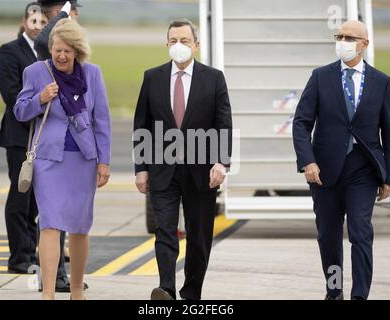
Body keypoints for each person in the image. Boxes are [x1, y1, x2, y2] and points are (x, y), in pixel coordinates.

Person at [292, 20, 390, 300]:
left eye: (350, 37)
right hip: (324, 172)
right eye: (339, 36)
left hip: (363, 172)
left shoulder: (381, 82)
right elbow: (301, 123)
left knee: (361, 232)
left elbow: (389, 131)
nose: (343, 41)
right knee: (328, 237)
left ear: (364, 43)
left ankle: (359, 295)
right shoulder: (320, 77)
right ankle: (334, 290)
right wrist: (308, 161)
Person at [133, 19, 232, 300]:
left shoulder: (213, 78)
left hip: (201, 171)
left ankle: (191, 294)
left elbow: (223, 123)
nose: (179, 46)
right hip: (162, 169)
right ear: (167, 45)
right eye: (173, 41)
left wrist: (220, 162)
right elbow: (142, 125)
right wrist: (141, 168)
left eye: (184, 41)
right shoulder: (152, 77)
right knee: (165, 230)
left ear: (196, 45)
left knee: (199, 237)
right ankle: (166, 288)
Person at [14, 18, 111, 300]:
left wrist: (104, 162)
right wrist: (40, 99)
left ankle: (77, 290)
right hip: (48, 161)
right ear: (51, 49)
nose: (61, 55)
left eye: (68, 50)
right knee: (50, 223)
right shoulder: (36, 72)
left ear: (78, 51)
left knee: (80, 227)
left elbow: (101, 121)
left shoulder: (92, 75)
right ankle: (47, 293)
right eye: (57, 49)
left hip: (83, 160)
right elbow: (19, 111)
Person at [0, 2, 48, 274]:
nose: (38, 26)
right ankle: (19, 257)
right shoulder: (9, 51)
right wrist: (41, 103)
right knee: (20, 197)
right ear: (24, 22)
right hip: (20, 136)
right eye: (34, 21)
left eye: (42, 21)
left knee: (38, 200)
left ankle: (35, 251)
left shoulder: (48, 51)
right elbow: (11, 94)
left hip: (44, 136)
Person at [35, 0, 83, 292]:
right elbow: (44, 40)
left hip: (68, 149)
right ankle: (51, 280)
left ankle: (57, 278)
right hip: (41, 146)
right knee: (49, 219)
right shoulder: (46, 45)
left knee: (56, 218)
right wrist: (65, 13)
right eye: (74, 14)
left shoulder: (78, 64)